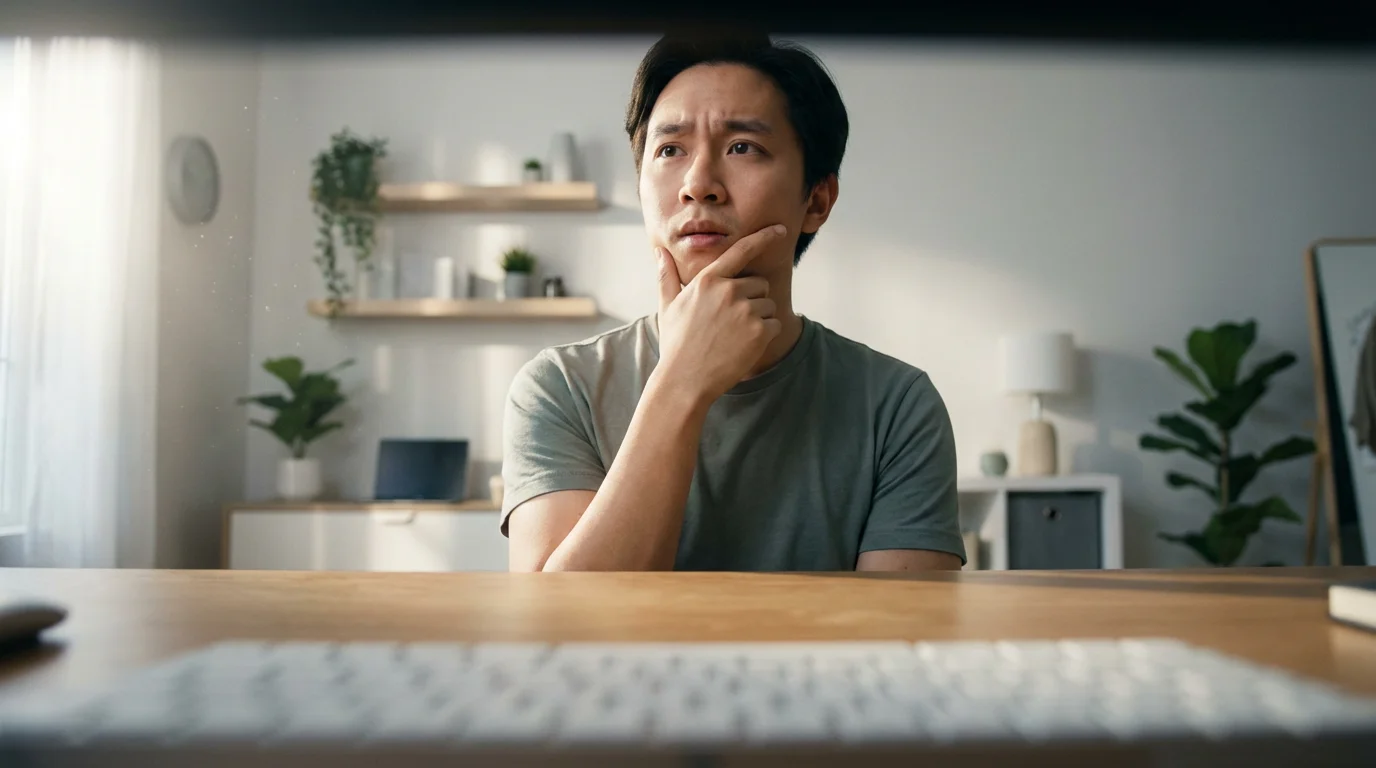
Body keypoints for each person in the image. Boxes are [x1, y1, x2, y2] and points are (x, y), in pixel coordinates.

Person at [500, 33, 965, 572]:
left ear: (816, 200)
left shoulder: (897, 406)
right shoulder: (559, 387)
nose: (698, 185)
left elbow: (898, 644)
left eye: (743, 147)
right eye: (669, 150)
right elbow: (557, 630)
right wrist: (682, 383)